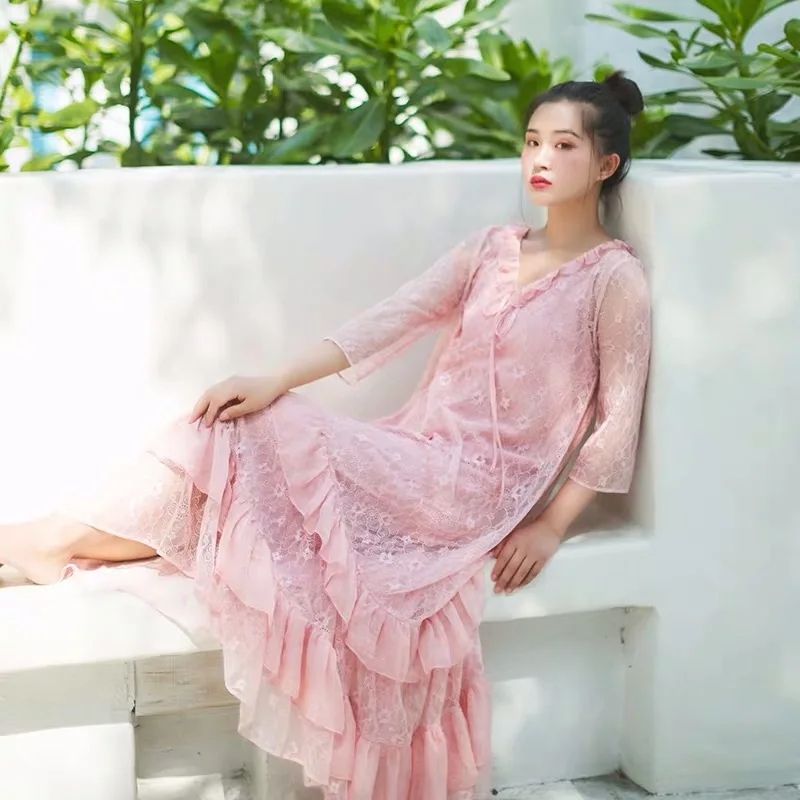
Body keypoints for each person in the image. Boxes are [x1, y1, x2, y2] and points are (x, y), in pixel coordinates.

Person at [0, 71, 651, 799]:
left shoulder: (612, 280)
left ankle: (52, 541)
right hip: (415, 454)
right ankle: (57, 541)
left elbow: (615, 423)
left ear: (606, 164)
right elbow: (390, 320)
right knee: (245, 430)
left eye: (564, 146)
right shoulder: (492, 250)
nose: (540, 159)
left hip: (473, 495)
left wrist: (549, 528)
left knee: (264, 430)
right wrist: (278, 377)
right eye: (532, 141)